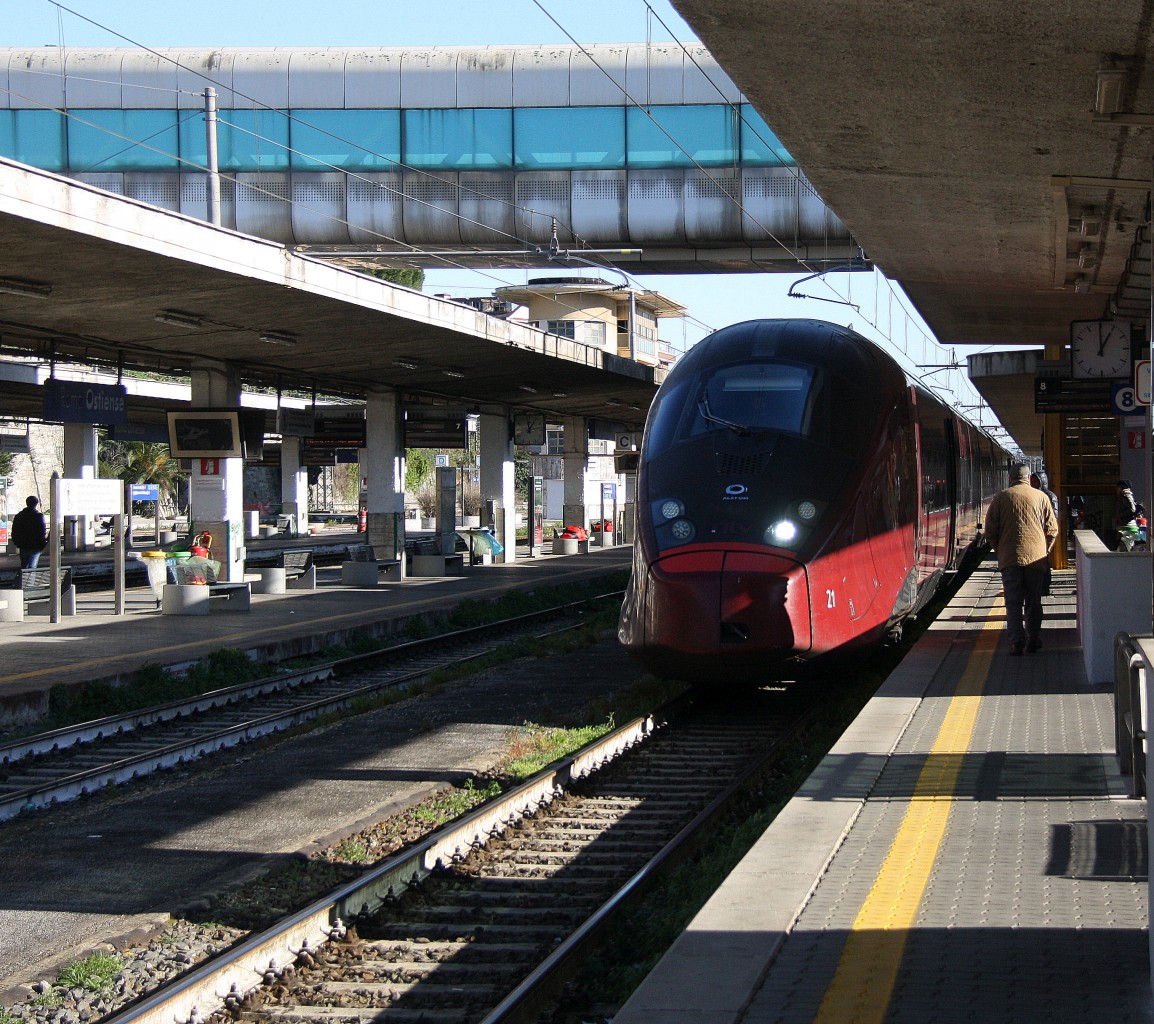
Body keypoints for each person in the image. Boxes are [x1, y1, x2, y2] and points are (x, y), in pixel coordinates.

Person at [984, 464, 1059, 656]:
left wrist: (1000, 551)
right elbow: (1052, 530)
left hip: (1010, 559)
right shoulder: (1041, 497)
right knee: (1034, 601)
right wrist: (1044, 551)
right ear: (1028, 477)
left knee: (1013, 603)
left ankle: (1017, 643)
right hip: (1036, 559)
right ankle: (1033, 640)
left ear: (1010, 478)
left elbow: (990, 531)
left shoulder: (1001, 497)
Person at [11, 495, 48, 570]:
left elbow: (14, 530)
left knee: (24, 566)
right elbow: (42, 531)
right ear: (36, 504)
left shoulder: (19, 516)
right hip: (35, 545)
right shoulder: (38, 516)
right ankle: (29, 581)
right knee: (32, 567)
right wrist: (43, 544)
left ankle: (24, 581)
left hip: (23, 545)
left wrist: (17, 542)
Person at [1116, 479, 1140, 551]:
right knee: (1124, 547)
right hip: (1126, 526)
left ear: (1121, 487)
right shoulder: (1124, 495)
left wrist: (1121, 515)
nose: (1116, 489)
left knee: (1125, 548)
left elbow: (1132, 509)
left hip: (1128, 526)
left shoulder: (1126, 495)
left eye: (1118, 487)